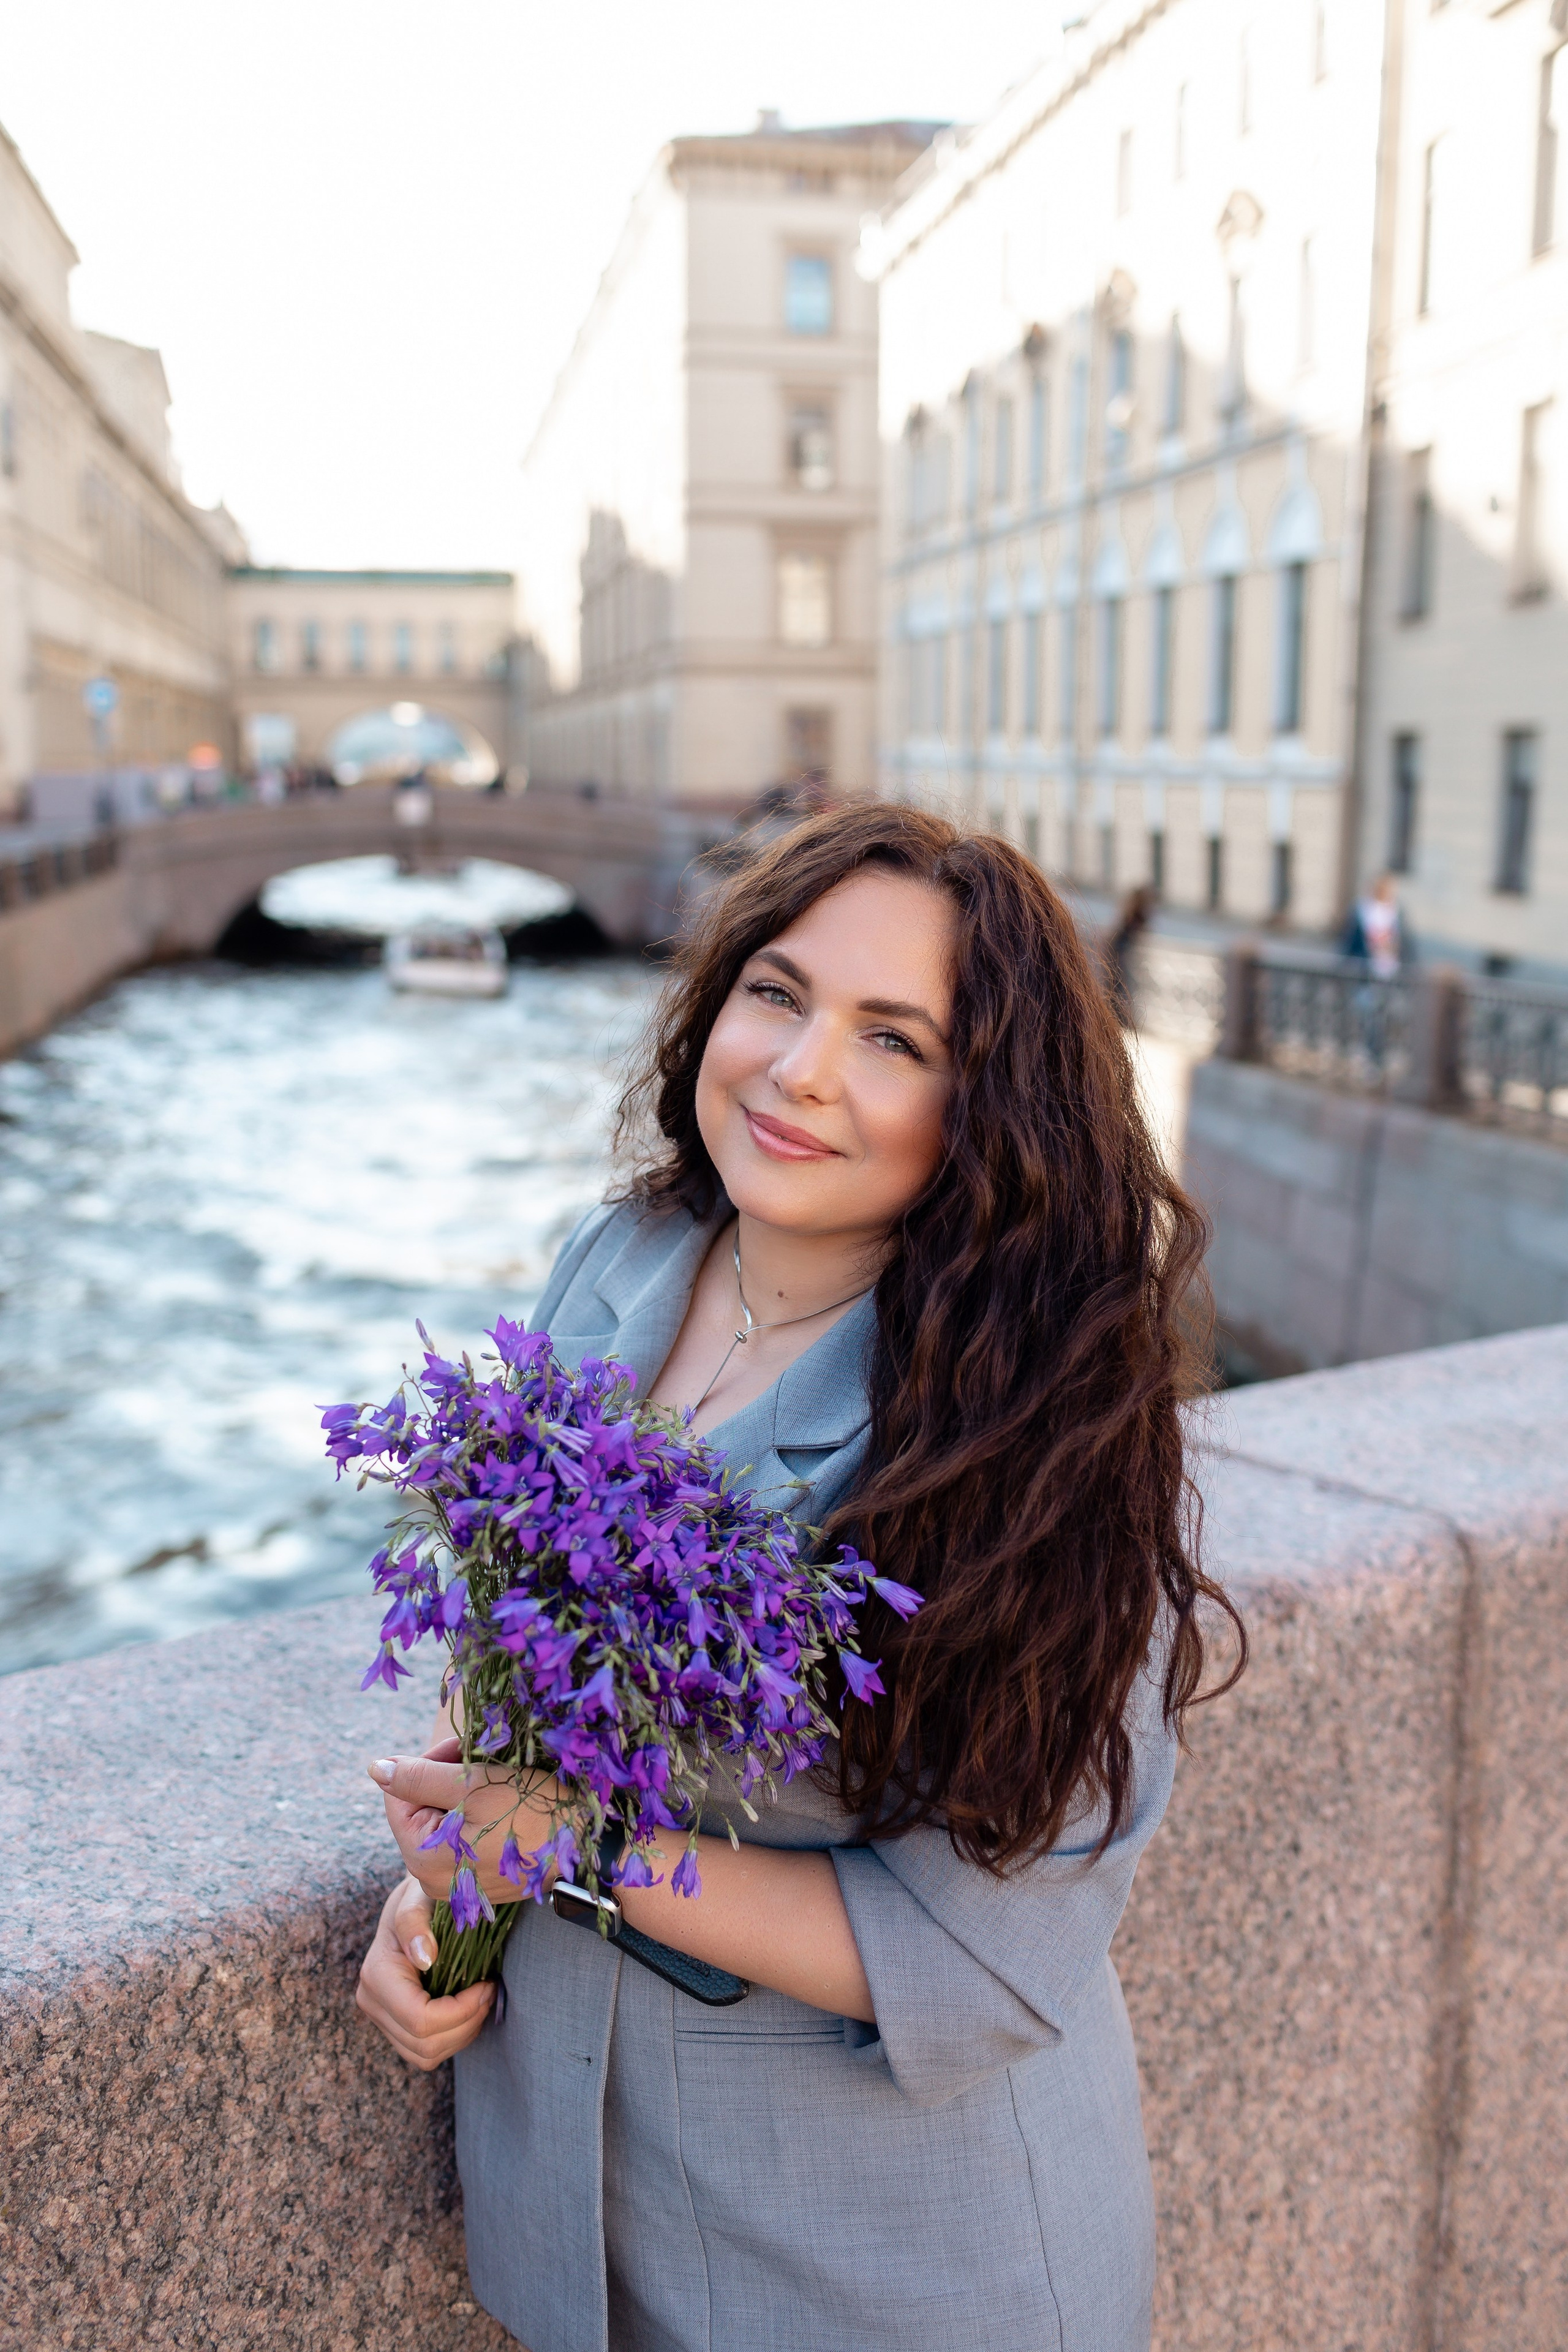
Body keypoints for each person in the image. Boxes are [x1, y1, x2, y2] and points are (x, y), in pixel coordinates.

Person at [355, 804, 1243, 2352]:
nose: (801, 1069)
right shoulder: (616, 1257)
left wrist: (568, 1842)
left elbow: (983, 1955)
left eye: (894, 1039)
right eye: (777, 992)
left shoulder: (1032, 1425)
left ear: (993, 1109)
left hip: (892, 2262)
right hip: (582, 2199)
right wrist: (438, 1888)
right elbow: (524, 1667)